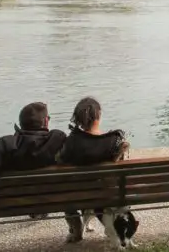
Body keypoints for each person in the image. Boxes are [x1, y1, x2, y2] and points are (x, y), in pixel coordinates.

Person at [57, 96, 138, 245]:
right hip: (108, 195)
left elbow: (61, 161)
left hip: (77, 196)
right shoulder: (114, 141)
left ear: (78, 119)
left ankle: (76, 230)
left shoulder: (71, 142)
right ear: (99, 115)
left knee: (68, 192)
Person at [0, 101, 67, 185]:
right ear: (45, 121)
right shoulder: (57, 140)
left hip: (14, 205)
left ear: (21, 123)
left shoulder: (7, 145)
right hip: (53, 200)